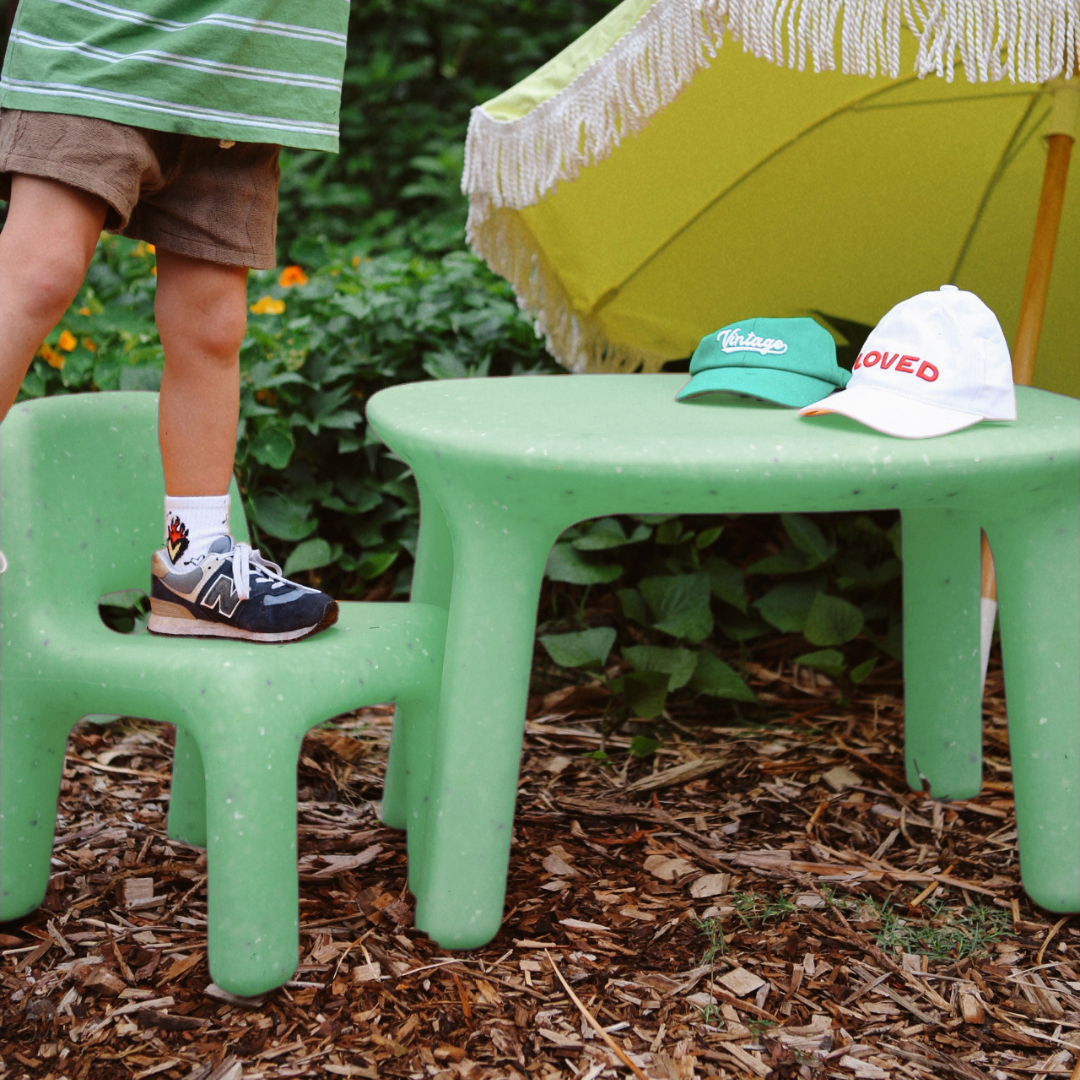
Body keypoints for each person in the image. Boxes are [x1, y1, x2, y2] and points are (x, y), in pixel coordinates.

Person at [0, 0, 349, 642]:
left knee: (213, 325)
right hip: (101, 46)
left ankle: (195, 563)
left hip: (243, 76)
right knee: (39, 270)